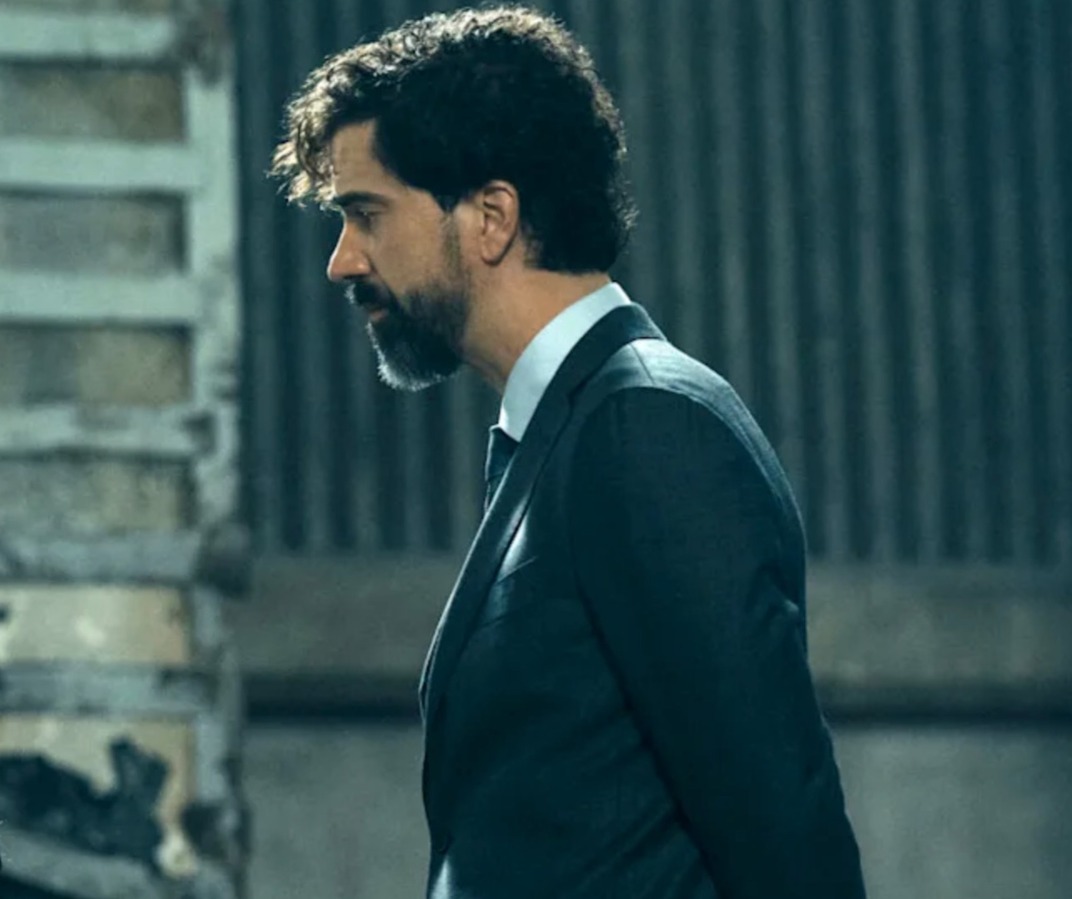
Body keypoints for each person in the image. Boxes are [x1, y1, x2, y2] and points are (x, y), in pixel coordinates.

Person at [273, 8, 865, 899]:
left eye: (366, 214)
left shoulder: (648, 428)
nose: (342, 261)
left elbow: (786, 839)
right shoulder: (568, 431)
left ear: (491, 217)